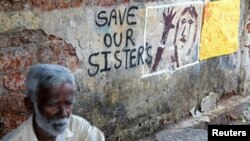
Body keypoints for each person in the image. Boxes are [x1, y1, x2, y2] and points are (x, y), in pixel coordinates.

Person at [2, 64, 105, 141]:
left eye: (68, 103)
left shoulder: (80, 129)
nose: (63, 113)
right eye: (52, 104)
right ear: (30, 105)